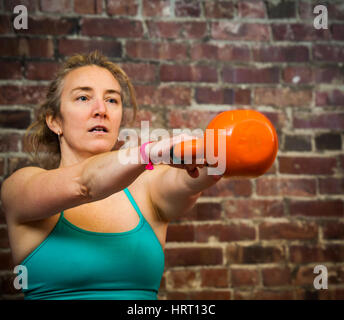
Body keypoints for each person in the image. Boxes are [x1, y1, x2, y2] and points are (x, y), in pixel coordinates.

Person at [0, 51, 223, 300]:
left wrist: (222, 153)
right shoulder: (21, 185)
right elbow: (83, 183)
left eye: (112, 100)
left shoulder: (146, 187)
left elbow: (194, 177)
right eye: (83, 97)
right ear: (55, 121)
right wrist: (148, 153)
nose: (101, 110)